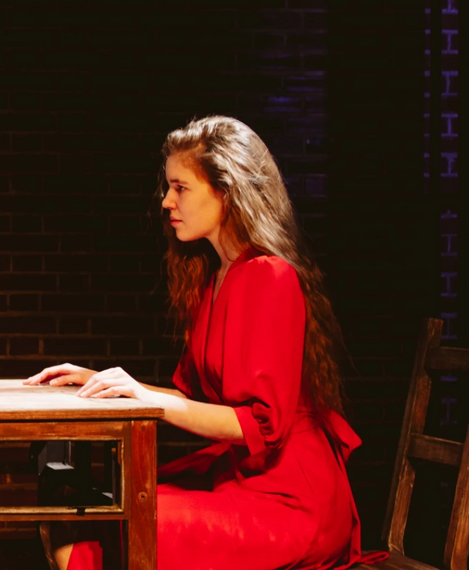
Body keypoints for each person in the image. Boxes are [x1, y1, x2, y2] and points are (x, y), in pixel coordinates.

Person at [25, 116, 387, 570]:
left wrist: (143, 398)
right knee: (79, 515)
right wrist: (108, 382)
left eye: (180, 187)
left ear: (227, 192)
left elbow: (262, 428)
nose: (166, 200)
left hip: (289, 498)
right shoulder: (216, 276)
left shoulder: (271, 277)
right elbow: (193, 401)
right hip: (242, 478)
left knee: (109, 528)